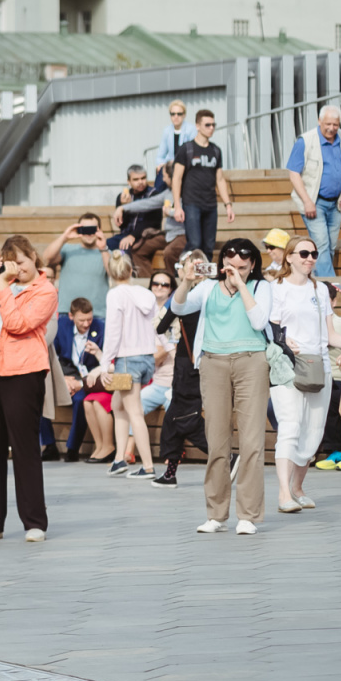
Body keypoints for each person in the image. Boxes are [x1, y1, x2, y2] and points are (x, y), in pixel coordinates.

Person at [170, 237, 272, 532]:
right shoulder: (207, 288)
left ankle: (248, 515)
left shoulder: (261, 287)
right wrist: (186, 281)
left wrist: (241, 285)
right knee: (216, 440)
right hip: (213, 362)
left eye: (242, 266)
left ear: (252, 265)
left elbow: (259, 321)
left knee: (252, 441)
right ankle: (216, 514)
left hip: (251, 361)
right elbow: (178, 308)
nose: (234, 270)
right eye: (229, 265)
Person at [0, 235, 57, 542]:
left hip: (23, 370)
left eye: (22, 261)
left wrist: (4, 287)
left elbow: (18, 324)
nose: (17, 268)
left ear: (34, 258)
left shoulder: (45, 290)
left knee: (24, 446)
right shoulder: (0, 283)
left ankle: (34, 522)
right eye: (11, 263)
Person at [257, 231, 341, 513]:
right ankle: (284, 493)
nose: (310, 259)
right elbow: (269, 328)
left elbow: (331, 335)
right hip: (287, 367)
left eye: (314, 254)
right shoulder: (276, 288)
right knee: (290, 426)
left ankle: (297, 487)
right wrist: (285, 341)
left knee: (313, 432)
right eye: (304, 254)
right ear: (290, 257)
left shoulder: (320, 290)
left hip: (319, 366)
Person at [99, 251, 160, 477]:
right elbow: (158, 323)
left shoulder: (115, 295)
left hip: (127, 360)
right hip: (147, 358)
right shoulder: (146, 293)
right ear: (130, 270)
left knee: (135, 412)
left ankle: (148, 466)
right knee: (118, 405)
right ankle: (119, 459)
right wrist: (168, 346)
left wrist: (104, 363)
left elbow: (113, 332)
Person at [148, 260, 204, 488]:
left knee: (185, 419)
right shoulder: (215, 294)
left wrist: (183, 286)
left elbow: (160, 326)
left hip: (188, 366)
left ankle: (226, 456)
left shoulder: (188, 297)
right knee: (173, 418)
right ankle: (170, 473)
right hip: (198, 363)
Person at [288, 106, 341, 281]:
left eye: (335, 125)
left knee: (330, 246)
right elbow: (293, 173)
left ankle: (319, 282)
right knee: (322, 245)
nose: (332, 128)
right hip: (315, 202)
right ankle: (332, 285)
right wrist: (307, 201)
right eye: (328, 124)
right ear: (319, 121)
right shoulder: (305, 141)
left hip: (336, 203)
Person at [167, 109, 233, 260]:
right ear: (197, 126)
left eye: (213, 125)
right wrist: (177, 206)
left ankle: (204, 274)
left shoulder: (216, 150)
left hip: (210, 204)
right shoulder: (187, 149)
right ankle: (182, 268)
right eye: (207, 125)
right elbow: (176, 178)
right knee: (195, 243)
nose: (211, 128)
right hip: (192, 203)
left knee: (208, 246)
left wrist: (228, 205)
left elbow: (220, 179)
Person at [53, 298, 112, 463]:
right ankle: (49, 445)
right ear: (71, 316)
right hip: (67, 373)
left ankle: (72, 448)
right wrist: (62, 379)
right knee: (42, 395)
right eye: (82, 320)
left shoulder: (101, 327)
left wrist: (81, 383)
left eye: (89, 319)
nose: (86, 324)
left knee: (80, 400)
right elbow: (53, 357)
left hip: (92, 376)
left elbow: (106, 361)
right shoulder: (61, 325)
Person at [43, 214, 114, 324]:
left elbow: (113, 274)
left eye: (92, 229)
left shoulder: (106, 253)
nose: (89, 233)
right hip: (67, 313)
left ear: (99, 230)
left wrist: (103, 248)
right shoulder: (67, 249)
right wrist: (65, 237)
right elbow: (47, 258)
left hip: (96, 315)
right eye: (85, 229)